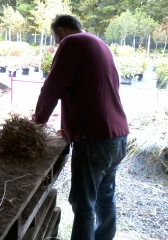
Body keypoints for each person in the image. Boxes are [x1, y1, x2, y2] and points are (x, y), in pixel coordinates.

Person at [33, 15, 129, 240]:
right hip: (118, 136)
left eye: (56, 39)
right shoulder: (100, 43)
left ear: (63, 31)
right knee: (105, 197)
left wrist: (36, 124)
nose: (57, 45)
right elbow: (91, 92)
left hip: (94, 138)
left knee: (84, 202)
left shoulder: (72, 42)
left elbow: (52, 87)